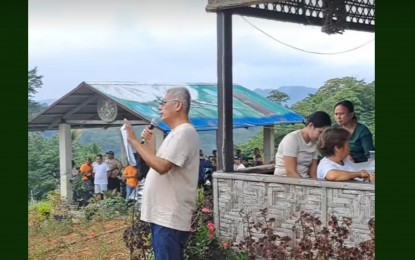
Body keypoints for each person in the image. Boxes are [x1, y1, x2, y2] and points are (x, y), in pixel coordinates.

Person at [125, 87, 200, 260]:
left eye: (163, 103)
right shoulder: (175, 134)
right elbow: (157, 162)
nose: (160, 108)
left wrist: (134, 141)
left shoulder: (184, 133)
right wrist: (148, 144)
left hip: (169, 217)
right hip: (163, 217)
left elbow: (162, 167)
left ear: (178, 105)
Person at [274, 111, 332, 179]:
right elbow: (291, 172)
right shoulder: (292, 139)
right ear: (310, 126)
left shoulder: (314, 142)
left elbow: (313, 174)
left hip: (304, 181)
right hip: (285, 181)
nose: (321, 136)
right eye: (320, 132)